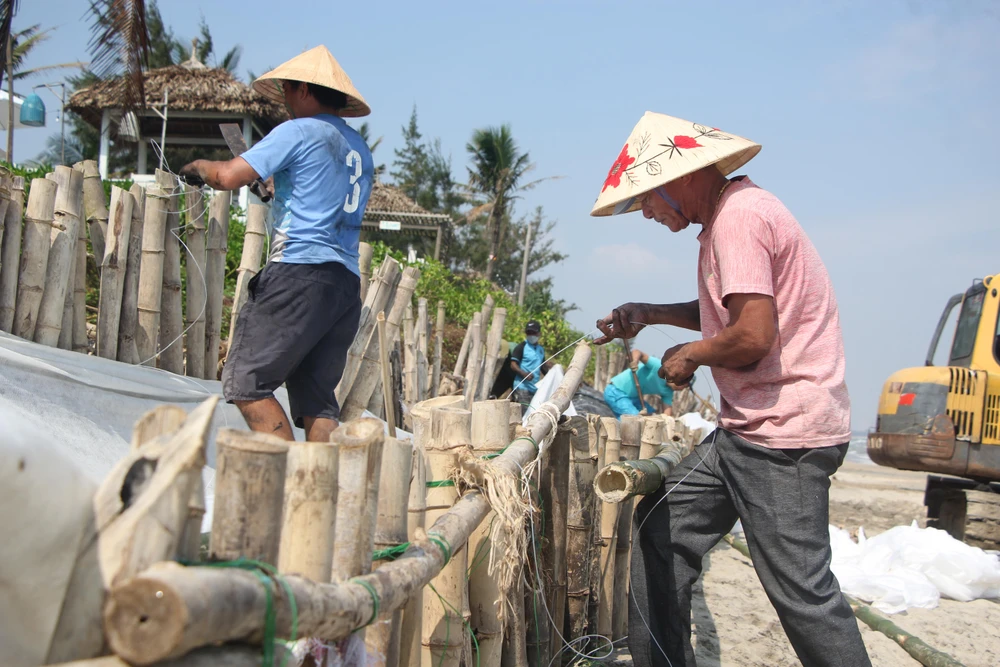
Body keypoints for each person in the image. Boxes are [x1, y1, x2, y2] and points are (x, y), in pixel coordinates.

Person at [591, 112, 869, 667]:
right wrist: (649, 312)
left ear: (682, 178)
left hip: (785, 437)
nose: (646, 212)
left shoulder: (740, 218)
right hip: (745, 434)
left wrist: (690, 354)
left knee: (802, 595)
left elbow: (752, 335)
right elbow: (730, 310)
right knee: (661, 526)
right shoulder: (727, 218)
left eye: (646, 199)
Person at [178, 46, 373, 443]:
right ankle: (324, 495)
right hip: (344, 284)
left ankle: (292, 482)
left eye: (287, 89)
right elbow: (320, 193)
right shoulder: (360, 150)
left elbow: (228, 176)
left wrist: (197, 167)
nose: (284, 99)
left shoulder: (299, 130)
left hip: (299, 272)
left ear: (304, 89)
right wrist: (277, 188)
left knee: (247, 381)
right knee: (317, 401)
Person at [604, 348, 674, 417]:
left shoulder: (669, 391)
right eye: (682, 384)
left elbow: (667, 415)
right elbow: (637, 352)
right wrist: (634, 362)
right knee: (635, 419)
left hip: (634, 398)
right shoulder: (659, 367)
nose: (681, 388)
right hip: (616, 392)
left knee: (653, 415)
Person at [509, 320, 552, 406]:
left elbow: (543, 367)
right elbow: (513, 364)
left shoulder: (540, 350)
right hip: (522, 387)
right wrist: (524, 374)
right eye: (529, 332)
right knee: (524, 413)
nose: (531, 335)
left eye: (533, 332)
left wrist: (551, 375)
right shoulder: (521, 347)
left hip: (534, 388)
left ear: (539, 333)